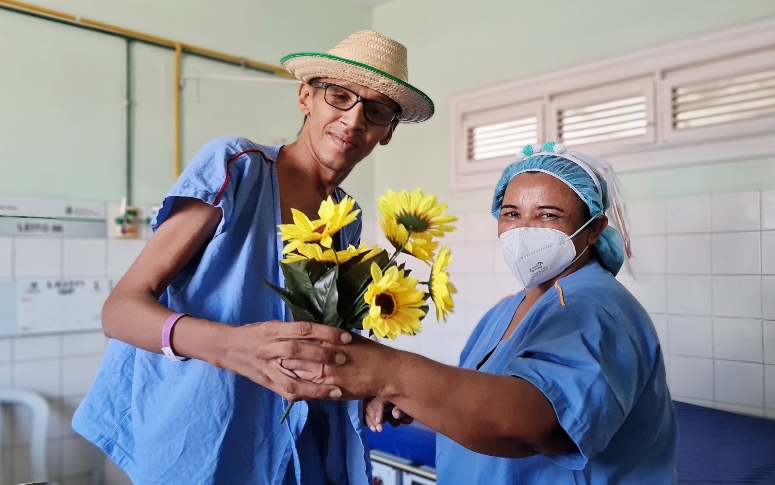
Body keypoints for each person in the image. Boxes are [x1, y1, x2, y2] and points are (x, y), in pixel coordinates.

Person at [72, 30, 434, 485]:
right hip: (201, 432)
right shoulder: (235, 168)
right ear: (306, 96)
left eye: (376, 109)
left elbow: (324, 335)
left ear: (388, 131)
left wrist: (372, 384)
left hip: (292, 442)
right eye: (339, 95)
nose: (354, 119)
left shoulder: (347, 219)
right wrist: (231, 346)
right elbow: (120, 309)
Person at [287, 143, 677, 484]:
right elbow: (483, 395)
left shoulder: (593, 309)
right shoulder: (508, 310)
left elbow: (529, 426)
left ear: (593, 229)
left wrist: (390, 374)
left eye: (547, 216)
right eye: (511, 213)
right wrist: (414, 396)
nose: (523, 230)